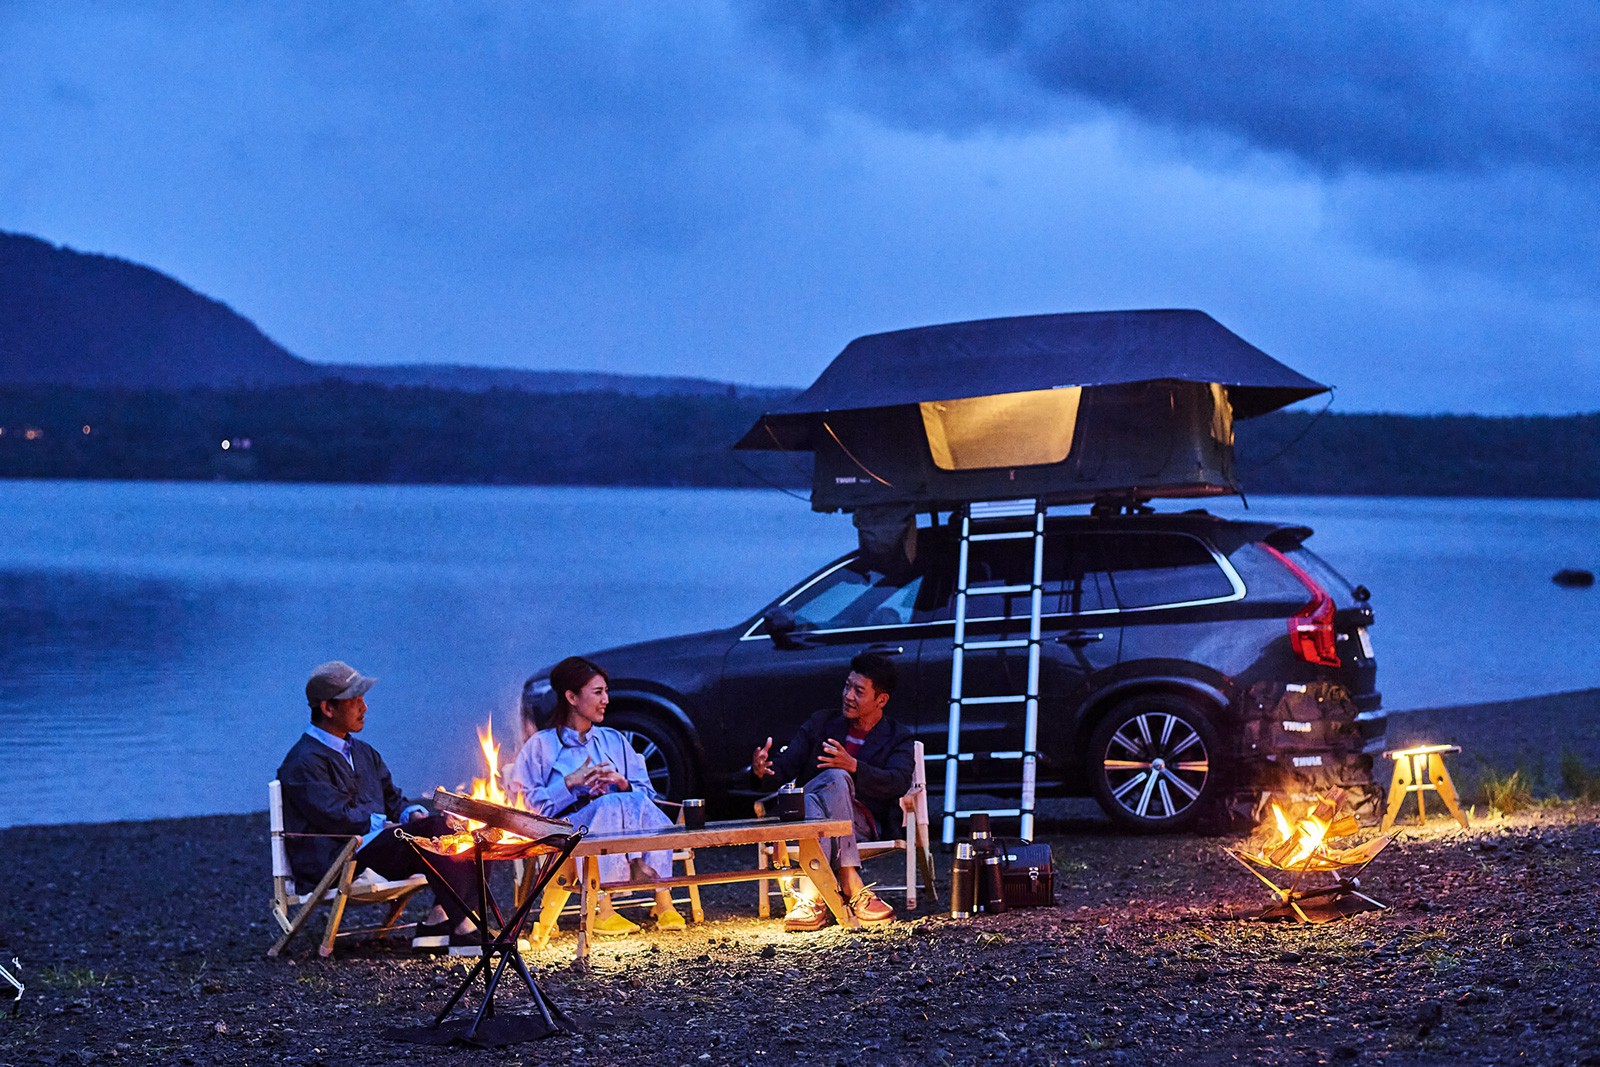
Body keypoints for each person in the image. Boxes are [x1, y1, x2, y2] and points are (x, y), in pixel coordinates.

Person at [276, 660, 485, 955]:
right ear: (327, 708)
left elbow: (393, 798)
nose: (365, 708)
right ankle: (463, 929)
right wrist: (385, 826)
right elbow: (335, 817)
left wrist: (410, 814)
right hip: (338, 858)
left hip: (376, 847)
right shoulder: (302, 762)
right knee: (437, 830)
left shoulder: (363, 752)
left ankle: (438, 923)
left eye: (363, 700)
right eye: (355, 701)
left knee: (462, 829)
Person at [506, 656, 685, 935]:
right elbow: (527, 808)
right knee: (609, 804)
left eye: (606, 692)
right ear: (572, 697)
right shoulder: (540, 746)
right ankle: (605, 906)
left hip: (623, 823)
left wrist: (622, 783)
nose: (607, 700)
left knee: (625, 799)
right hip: (567, 830)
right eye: (598, 692)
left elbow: (647, 797)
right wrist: (569, 784)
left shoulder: (614, 739)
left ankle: (664, 903)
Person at [751, 652, 914, 931]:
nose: (848, 695)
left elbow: (897, 782)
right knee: (822, 791)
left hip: (862, 822)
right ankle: (851, 881)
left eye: (858, 691)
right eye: (847, 686)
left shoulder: (898, 737)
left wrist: (854, 767)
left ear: (881, 700)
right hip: (810, 821)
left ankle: (812, 899)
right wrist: (762, 770)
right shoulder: (822, 723)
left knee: (835, 779)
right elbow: (785, 766)